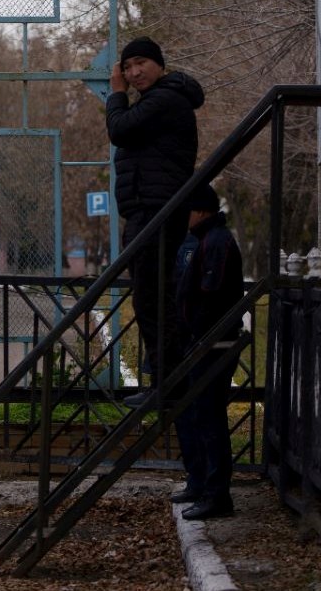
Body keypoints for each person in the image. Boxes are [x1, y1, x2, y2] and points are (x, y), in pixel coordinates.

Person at [106, 36, 205, 400]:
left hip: (156, 210)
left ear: (159, 64)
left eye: (140, 64)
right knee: (151, 295)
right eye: (127, 68)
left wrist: (116, 93)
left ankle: (168, 385)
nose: (133, 73)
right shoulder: (158, 101)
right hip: (149, 208)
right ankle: (166, 382)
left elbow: (118, 129)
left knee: (152, 297)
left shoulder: (165, 99)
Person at [170, 182, 245, 520]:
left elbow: (210, 296)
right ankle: (204, 485)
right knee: (200, 414)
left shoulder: (216, 243)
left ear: (199, 211)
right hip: (204, 344)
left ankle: (217, 494)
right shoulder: (208, 241)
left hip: (213, 345)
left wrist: (198, 335)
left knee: (210, 416)